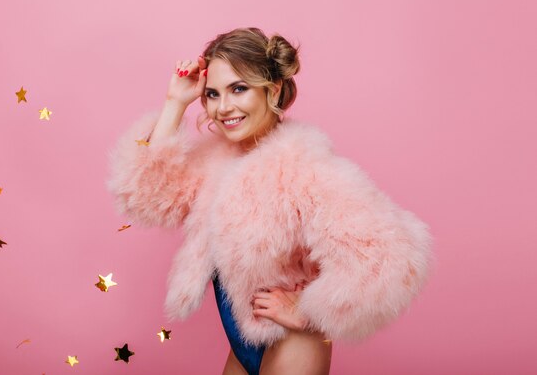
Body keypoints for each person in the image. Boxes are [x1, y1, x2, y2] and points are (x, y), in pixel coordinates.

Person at [107, 27, 432, 375]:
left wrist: (307, 310)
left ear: (272, 89)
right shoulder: (216, 163)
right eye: (213, 94)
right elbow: (144, 196)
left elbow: (394, 258)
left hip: (292, 346)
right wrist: (175, 102)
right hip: (241, 346)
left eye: (239, 89)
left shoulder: (303, 169)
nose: (223, 107)